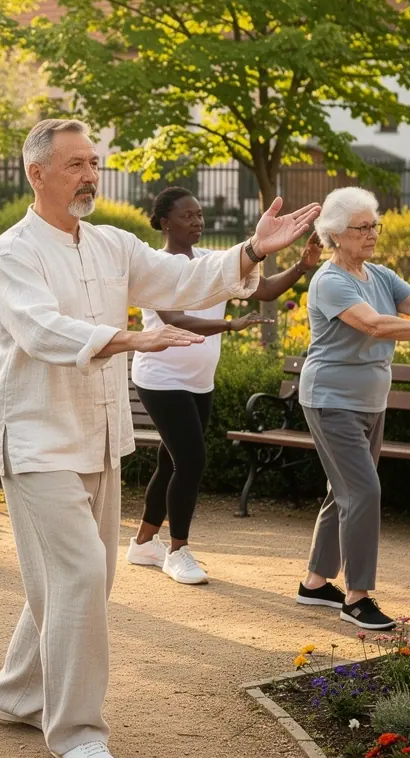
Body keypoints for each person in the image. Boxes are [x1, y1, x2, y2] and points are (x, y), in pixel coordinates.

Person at [0, 118, 320, 758]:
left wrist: (251, 249)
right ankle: (77, 731)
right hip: (37, 440)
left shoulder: (112, 245)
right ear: (37, 173)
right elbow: (41, 330)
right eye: (76, 164)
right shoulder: (12, 253)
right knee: (78, 576)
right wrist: (130, 341)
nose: (89, 174)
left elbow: (182, 280)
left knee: (87, 577)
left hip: (99, 438)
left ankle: (18, 693)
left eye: (93, 162)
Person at [295, 186, 410, 631]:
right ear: (336, 235)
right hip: (331, 400)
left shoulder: (379, 275)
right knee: (363, 492)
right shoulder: (329, 280)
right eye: (362, 227)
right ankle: (357, 597)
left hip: (369, 402)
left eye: (374, 225)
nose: (372, 233)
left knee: (342, 491)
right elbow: (376, 326)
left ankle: (316, 583)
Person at [128, 187, 324, 585]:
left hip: (199, 382)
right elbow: (175, 319)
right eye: (187, 216)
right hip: (161, 379)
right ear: (165, 222)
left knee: (173, 460)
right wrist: (229, 325)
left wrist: (302, 267)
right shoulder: (155, 267)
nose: (197, 221)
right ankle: (178, 551)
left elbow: (263, 289)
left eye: (200, 215)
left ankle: (144, 542)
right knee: (192, 460)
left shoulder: (213, 263)